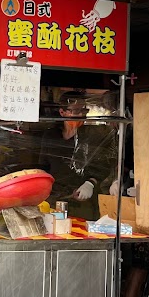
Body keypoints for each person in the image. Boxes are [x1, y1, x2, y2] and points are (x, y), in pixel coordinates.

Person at [38, 91, 117, 221]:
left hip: (83, 201)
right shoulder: (51, 136)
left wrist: (90, 184)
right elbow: (43, 167)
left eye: (83, 110)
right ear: (62, 112)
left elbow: (103, 166)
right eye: (75, 111)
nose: (80, 115)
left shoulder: (92, 136)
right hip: (55, 200)